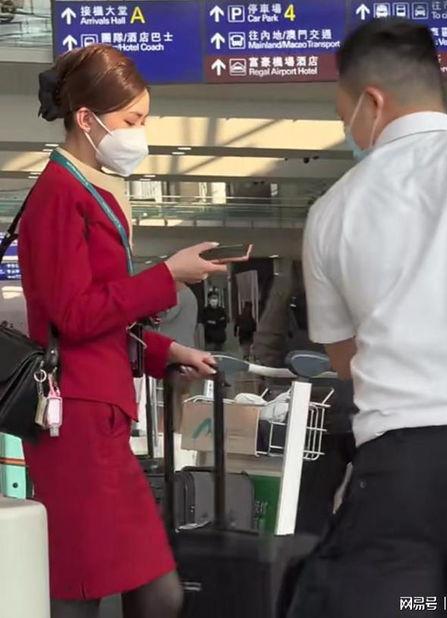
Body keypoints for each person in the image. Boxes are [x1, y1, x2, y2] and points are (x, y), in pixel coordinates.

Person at [289, 18, 447, 618]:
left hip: (395, 474)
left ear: (371, 102)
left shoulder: (334, 208)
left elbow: (342, 360)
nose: (349, 130)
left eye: (344, 115)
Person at [18, 45, 228, 618]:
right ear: (87, 118)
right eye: (133, 120)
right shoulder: (60, 193)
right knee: (94, 588)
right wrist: (167, 276)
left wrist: (166, 350)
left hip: (94, 413)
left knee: (105, 585)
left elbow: (95, 317)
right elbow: (75, 315)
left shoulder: (85, 187)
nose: (141, 133)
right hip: (78, 421)